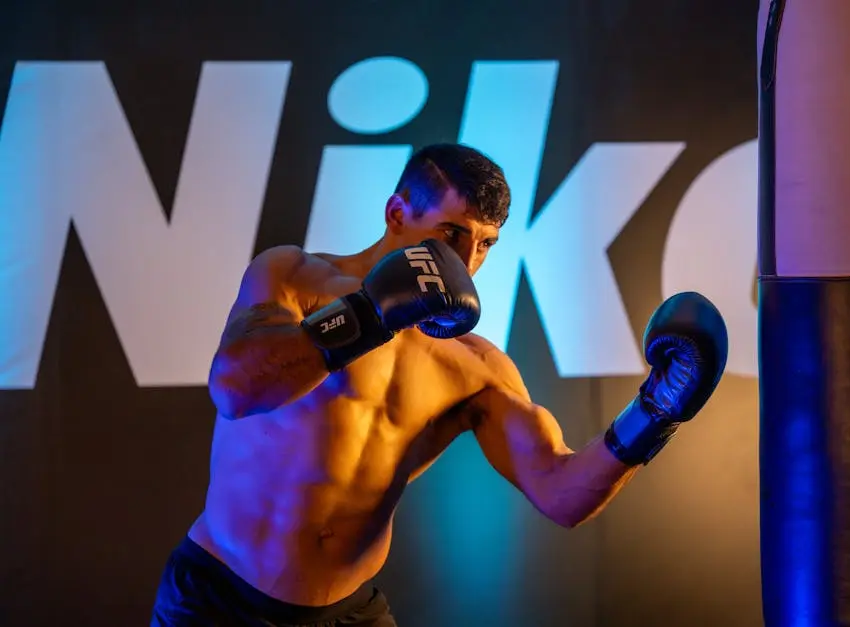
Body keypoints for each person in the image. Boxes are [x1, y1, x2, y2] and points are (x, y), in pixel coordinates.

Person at [149, 143, 729, 626]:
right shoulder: (293, 277)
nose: (467, 260)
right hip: (217, 598)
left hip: (347, 612)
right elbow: (236, 388)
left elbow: (560, 493)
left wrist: (656, 413)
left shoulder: (476, 367)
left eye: (484, 245)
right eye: (452, 234)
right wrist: (372, 312)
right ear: (397, 213)